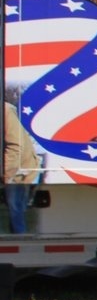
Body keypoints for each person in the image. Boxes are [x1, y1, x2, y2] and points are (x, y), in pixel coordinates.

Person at [3, 91, 38, 235]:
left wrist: (5, 173)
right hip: (12, 166)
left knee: (16, 207)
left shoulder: (5, 111)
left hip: (19, 170)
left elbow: (16, 146)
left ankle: (22, 241)